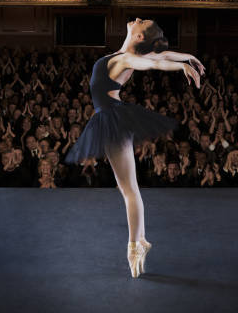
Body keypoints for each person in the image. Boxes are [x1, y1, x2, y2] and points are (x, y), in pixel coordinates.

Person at [64, 17, 205, 278]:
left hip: (111, 118)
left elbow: (152, 61)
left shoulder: (125, 59)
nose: (136, 19)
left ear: (139, 36)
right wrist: (187, 58)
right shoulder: (121, 55)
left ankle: (134, 246)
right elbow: (161, 55)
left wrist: (180, 66)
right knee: (129, 188)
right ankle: (139, 239)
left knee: (129, 189)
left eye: (141, 22)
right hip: (113, 116)